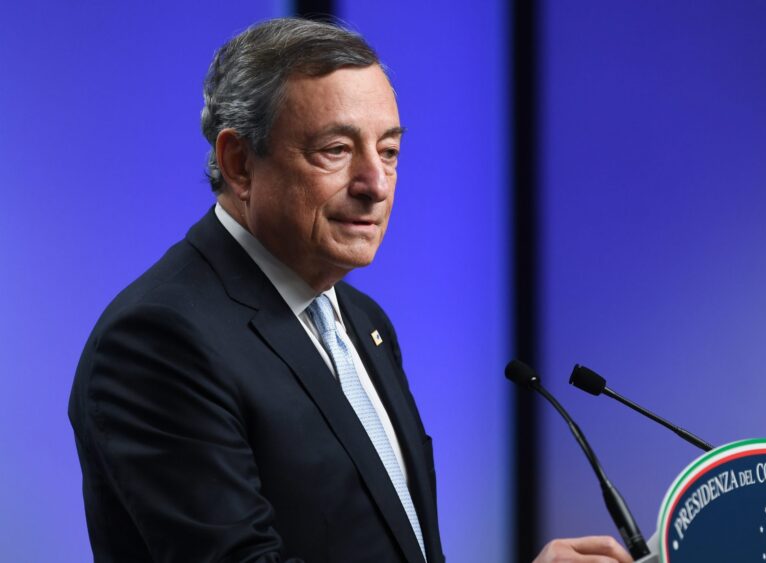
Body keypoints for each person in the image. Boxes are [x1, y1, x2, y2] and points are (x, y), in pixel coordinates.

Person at [68, 17, 633, 563]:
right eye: (336, 150)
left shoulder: (363, 320)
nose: (375, 184)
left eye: (388, 151)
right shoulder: (159, 340)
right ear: (239, 164)